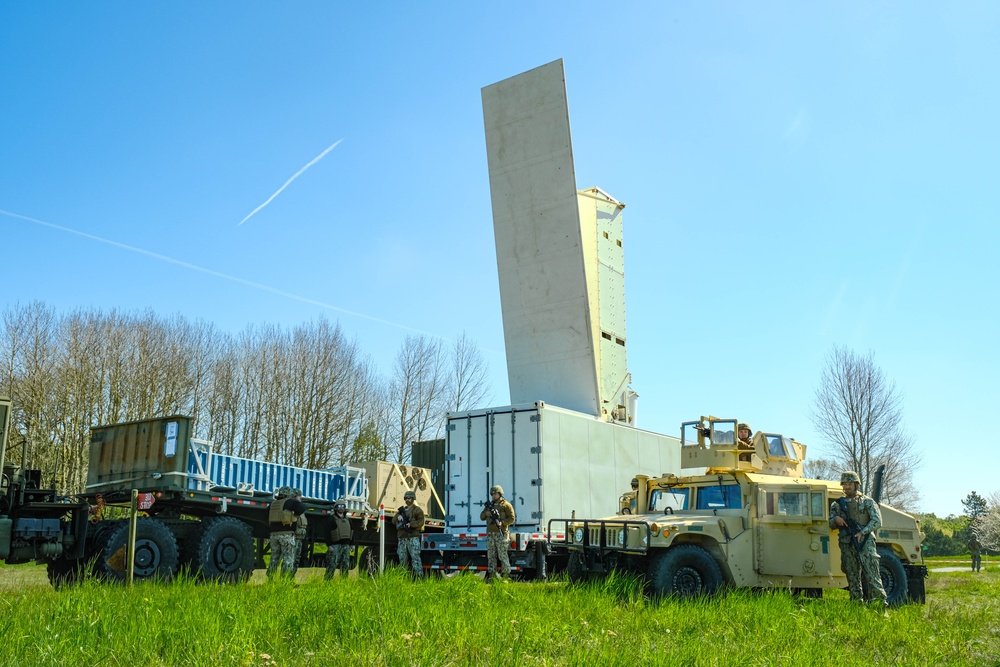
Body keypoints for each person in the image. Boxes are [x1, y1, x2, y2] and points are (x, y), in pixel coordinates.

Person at [829, 471, 887, 609]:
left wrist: (863, 531)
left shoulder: (867, 502)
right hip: (847, 544)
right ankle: (857, 606)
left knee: (873, 576)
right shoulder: (837, 504)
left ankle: (879, 606)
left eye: (850, 484)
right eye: (845, 484)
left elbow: (877, 521)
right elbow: (829, 524)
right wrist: (835, 519)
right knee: (852, 577)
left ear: (856, 485)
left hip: (865, 543)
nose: (847, 487)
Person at [267, 486, 307, 579]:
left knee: (274, 558)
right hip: (286, 535)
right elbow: (302, 507)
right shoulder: (289, 502)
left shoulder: (272, 504)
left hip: (273, 535)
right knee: (288, 558)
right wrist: (295, 515)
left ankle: (270, 578)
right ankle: (284, 580)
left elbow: (266, 515)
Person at [480, 484, 516, 581]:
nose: (493, 496)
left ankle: (505, 576)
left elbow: (512, 518)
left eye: (495, 494)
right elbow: (482, 517)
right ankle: (492, 575)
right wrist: (487, 513)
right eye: (492, 494)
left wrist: (502, 523)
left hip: (501, 534)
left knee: (502, 555)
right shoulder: (489, 506)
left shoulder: (506, 505)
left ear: (499, 493)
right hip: (491, 534)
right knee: (491, 555)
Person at [395, 490, 425, 578]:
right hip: (402, 538)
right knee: (402, 558)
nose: (407, 500)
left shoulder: (417, 510)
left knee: (415, 558)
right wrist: (398, 517)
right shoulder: (402, 511)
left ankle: (419, 577)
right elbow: (393, 520)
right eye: (406, 498)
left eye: (409, 498)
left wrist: (411, 524)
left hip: (413, 537)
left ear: (413, 499)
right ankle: (403, 578)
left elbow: (421, 522)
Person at [325, 500, 353, 579]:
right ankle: (327, 581)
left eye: (342, 506)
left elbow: (352, 532)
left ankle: (344, 582)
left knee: (345, 564)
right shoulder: (331, 519)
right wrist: (329, 545)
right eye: (339, 506)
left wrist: (352, 544)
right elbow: (327, 532)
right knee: (332, 564)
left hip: (346, 545)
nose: (341, 508)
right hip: (335, 545)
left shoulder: (348, 520)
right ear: (336, 508)